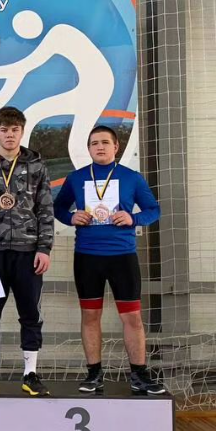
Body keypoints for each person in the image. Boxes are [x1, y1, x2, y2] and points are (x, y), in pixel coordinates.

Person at [54, 125, 167, 395]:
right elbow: (58, 207)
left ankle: (139, 375)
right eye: (94, 143)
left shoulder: (132, 178)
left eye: (105, 142)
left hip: (122, 256)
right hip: (87, 257)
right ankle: (94, 374)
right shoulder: (76, 178)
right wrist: (71, 217)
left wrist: (133, 218)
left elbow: (154, 209)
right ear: (89, 148)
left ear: (116, 146)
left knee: (132, 318)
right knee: (90, 315)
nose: (100, 147)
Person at [0, 107, 54, 396]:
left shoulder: (37, 166)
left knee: (31, 313)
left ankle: (30, 373)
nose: (10, 135)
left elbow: (45, 209)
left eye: (15, 130)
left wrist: (44, 248)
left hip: (28, 253)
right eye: (4, 130)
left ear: (22, 132)